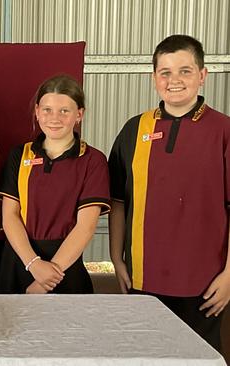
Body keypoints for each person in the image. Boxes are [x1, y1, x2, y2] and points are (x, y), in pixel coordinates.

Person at [108, 34, 230, 351]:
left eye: (185, 71)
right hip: (143, 279)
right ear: (154, 78)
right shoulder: (134, 130)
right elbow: (117, 202)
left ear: (203, 75)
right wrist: (115, 257)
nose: (174, 80)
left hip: (204, 283)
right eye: (165, 72)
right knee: (144, 356)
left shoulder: (224, 131)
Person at [0, 75, 110, 294]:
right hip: (19, 259)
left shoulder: (93, 160)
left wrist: (45, 280)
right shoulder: (19, 155)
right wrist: (33, 264)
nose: (54, 118)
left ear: (79, 114)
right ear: (37, 111)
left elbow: (86, 226)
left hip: (65, 268)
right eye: (47, 110)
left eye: (64, 111)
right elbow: (10, 216)